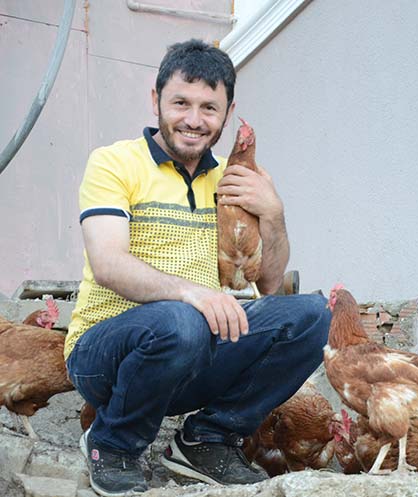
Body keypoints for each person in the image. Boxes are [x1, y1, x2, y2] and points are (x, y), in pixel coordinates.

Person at [64, 39, 330, 497]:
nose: (193, 119)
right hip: (103, 354)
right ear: (156, 100)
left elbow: (267, 283)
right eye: (180, 102)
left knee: (311, 315)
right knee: (182, 318)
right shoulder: (114, 162)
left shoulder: (233, 177)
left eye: (210, 107)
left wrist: (274, 215)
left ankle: (206, 440)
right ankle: (112, 442)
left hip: (193, 349)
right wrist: (193, 293)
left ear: (227, 113)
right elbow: (107, 263)